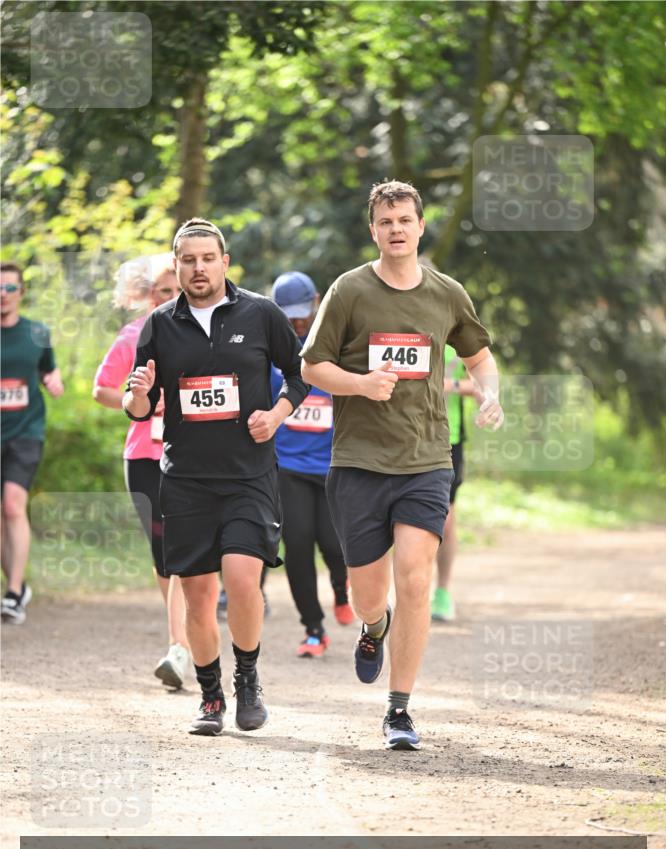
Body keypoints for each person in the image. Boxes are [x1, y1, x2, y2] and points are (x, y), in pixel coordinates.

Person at [301, 179, 504, 751]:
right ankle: (372, 627)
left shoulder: (446, 294)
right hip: (360, 460)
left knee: (414, 578)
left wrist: (489, 394)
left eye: (404, 220)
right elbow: (313, 367)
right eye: (385, 221)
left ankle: (400, 710)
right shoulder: (349, 291)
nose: (396, 229)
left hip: (425, 458)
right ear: (374, 230)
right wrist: (362, 384)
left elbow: (480, 359)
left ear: (420, 226)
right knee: (371, 593)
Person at [122, 218, 308, 736]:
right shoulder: (159, 324)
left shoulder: (261, 313)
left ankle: (247, 679)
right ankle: (210, 697)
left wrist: (276, 414)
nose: (198, 268)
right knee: (199, 595)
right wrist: (138, 396)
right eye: (188, 259)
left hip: (249, 473)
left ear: (225, 262)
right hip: (185, 479)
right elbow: (140, 405)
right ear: (176, 264)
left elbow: (298, 375)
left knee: (244, 580)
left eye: (208, 258)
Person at [93, 255, 192, 688]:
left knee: (180, 549)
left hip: (189, 454)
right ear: (145, 294)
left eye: (176, 291)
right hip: (142, 456)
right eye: (162, 292)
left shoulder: (196, 333)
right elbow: (101, 389)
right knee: (162, 553)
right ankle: (181, 635)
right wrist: (139, 404)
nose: (169, 299)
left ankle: (180, 645)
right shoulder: (132, 335)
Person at [270, 271, 354, 659]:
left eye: (302, 313)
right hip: (287, 465)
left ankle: (341, 589)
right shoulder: (270, 351)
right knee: (299, 544)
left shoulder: (337, 345)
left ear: (317, 301)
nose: (297, 321)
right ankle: (313, 630)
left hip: (333, 465)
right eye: (288, 315)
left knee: (335, 546)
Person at [1, 262, 64, 624]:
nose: (3, 295)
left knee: (13, 505)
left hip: (26, 431)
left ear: (21, 292)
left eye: (10, 288)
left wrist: (52, 381)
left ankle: (12, 594)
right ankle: (18, 584)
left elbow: (47, 368)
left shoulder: (37, 332)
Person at [431, 343, 482, 622]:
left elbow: (479, 385)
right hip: (406, 436)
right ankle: (407, 588)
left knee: (445, 518)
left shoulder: (459, 335)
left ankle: (442, 591)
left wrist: (445, 384)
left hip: (449, 439)